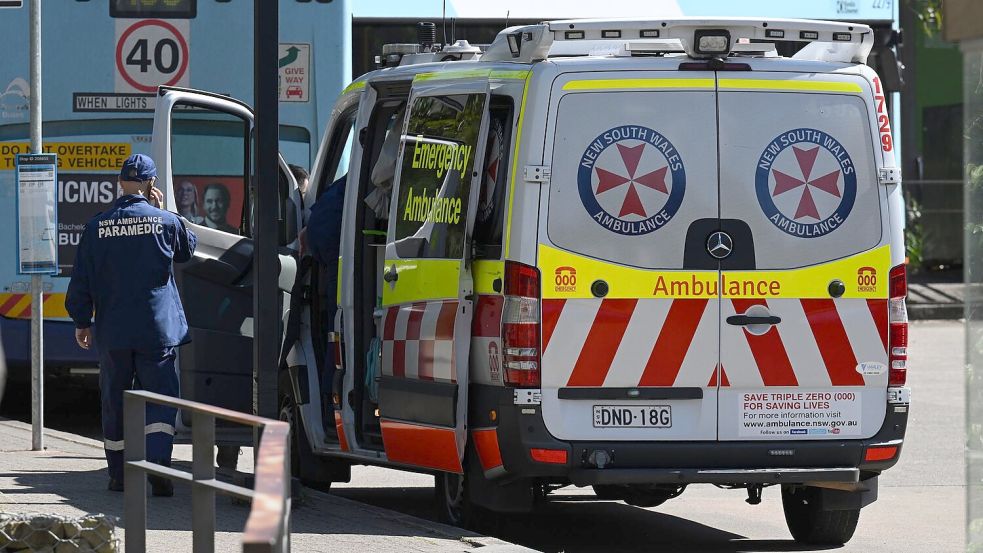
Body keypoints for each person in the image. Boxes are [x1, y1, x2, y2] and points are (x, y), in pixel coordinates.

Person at [66, 154, 197, 495]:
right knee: (161, 399)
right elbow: (187, 251)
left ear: (119, 181)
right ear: (151, 185)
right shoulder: (165, 222)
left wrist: (82, 321)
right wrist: (169, 211)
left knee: (116, 399)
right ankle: (157, 467)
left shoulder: (97, 226)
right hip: (156, 330)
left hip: (114, 331)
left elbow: (81, 279)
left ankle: (119, 475)